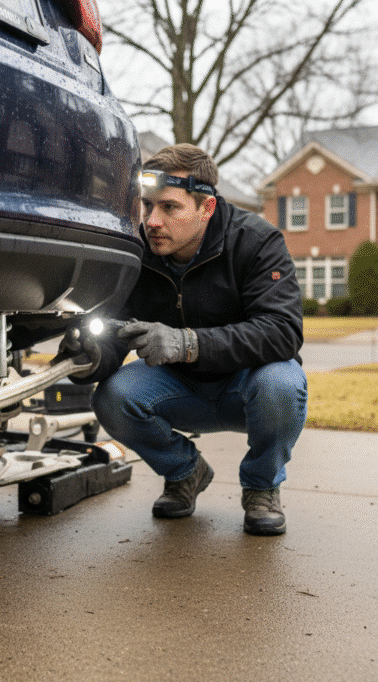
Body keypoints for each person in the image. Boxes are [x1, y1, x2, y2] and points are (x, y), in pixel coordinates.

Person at [62, 143, 307, 535]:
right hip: (178, 387)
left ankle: (262, 487)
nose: (152, 221)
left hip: (248, 386)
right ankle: (185, 472)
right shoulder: (139, 251)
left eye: (169, 208)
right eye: (147, 206)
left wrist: (187, 343)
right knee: (111, 397)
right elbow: (113, 328)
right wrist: (92, 356)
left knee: (282, 383)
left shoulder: (257, 242)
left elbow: (283, 332)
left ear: (206, 208)